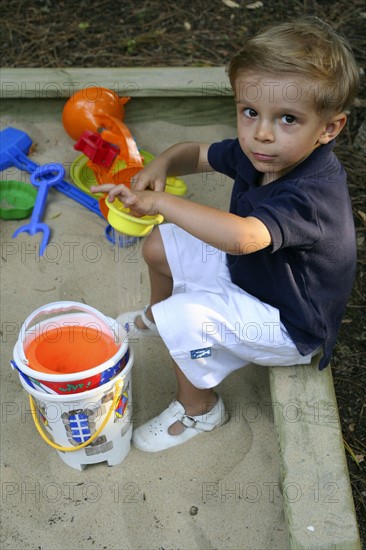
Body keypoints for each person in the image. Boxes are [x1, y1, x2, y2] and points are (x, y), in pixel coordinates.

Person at [92, 17, 359, 452]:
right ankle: (158, 318)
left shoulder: (312, 193)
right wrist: (159, 167)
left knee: (186, 313)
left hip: (290, 324)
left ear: (328, 129)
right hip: (253, 275)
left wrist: (162, 204)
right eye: (249, 111)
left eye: (288, 119)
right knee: (160, 245)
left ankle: (200, 410)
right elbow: (193, 154)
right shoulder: (263, 152)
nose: (262, 132)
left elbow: (244, 238)